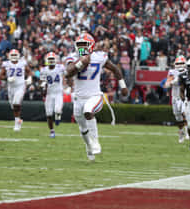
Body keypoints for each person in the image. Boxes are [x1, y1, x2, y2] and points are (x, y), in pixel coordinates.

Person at [65, 32, 128, 161]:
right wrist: (81, 63)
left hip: (94, 96)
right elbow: (68, 73)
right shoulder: (72, 57)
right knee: (82, 128)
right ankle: (89, 147)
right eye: (80, 45)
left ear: (91, 45)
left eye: (85, 45)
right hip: (78, 98)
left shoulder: (100, 57)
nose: (82, 48)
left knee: (88, 111)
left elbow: (115, 69)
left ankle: (95, 141)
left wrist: (123, 86)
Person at [0, 49, 32, 131]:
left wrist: (29, 78)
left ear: (18, 56)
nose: (13, 57)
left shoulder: (22, 63)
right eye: (12, 55)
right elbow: (0, 76)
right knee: (13, 106)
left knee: (16, 103)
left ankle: (17, 123)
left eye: (15, 55)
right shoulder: (6, 64)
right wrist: (7, 78)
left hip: (20, 86)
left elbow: (29, 72)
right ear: (9, 56)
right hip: (11, 87)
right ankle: (19, 120)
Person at [39, 52, 65, 138]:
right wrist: (42, 86)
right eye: (49, 59)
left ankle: (58, 116)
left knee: (57, 110)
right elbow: (41, 82)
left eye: (52, 59)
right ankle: (52, 131)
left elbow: (67, 75)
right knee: (49, 114)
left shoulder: (60, 68)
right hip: (49, 94)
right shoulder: (44, 70)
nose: (50, 61)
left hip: (58, 93)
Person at [164, 55, 189, 143]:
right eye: (178, 63)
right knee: (178, 117)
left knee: (184, 113)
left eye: (182, 63)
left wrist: (177, 81)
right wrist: (170, 82)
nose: (180, 65)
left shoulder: (187, 72)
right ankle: (181, 132)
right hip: (174, 97)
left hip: (183, 96)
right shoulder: (172, 72)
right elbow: (167, 83)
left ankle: (187, 132)